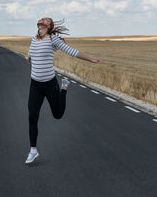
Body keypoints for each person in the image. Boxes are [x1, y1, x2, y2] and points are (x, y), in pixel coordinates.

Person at [25, 17, 103, 164]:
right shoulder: (34, 39)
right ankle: (33, 150)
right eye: (41, 18)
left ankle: (64, 87)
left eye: (46, 19)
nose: (42, 19)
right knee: (32, 117)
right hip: (35, 84)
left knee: (58, 114)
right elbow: (30, 53)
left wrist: (90, 59)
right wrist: (28, 58)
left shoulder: (52, 39)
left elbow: (71, 51)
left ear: (49, 26)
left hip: (49, 84)